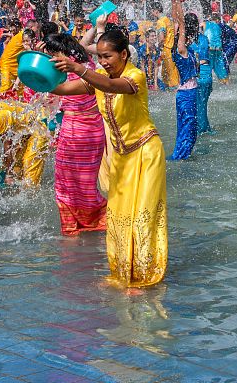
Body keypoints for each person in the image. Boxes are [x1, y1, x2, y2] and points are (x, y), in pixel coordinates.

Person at [51, 27, 167, 288]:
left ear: (124, 54)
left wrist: (79, 67)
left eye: (108, 56)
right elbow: (65, 89)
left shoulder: (134, 77)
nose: (103, 62)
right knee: (118, 217)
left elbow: (111, 86)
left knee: (142, 217)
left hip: (146, 153)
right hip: (122, 158)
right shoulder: (99, 77)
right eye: (100, 57)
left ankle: (143, 277)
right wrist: (38, 76)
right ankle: (121, 274)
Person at [45, 32, 108, 235]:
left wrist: (34, 73)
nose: (51, 58)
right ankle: (94, 222)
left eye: (52, 53)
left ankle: (73, 229)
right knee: (86, 184)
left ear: (61, 52)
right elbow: (82, 44)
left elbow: (59, 90)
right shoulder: (88, 67)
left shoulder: (78, 74)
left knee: (65, 184)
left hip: (77, 132)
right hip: (91, 132)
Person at [166, 0, 201, 160]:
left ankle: (182, 153)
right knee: (188, 127)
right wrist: (179, 2)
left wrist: (174, 1)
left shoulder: (185, 48)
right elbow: (180, 23)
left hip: (188, 93)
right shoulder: (181, 49)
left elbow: (177, 22)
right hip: (186, 95)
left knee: (189, 127)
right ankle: (182, 156)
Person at [0, 20, 24, 94]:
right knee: (6, 86)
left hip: (16, 64)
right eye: (11, 27)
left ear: (19, 27)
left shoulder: (21, 35)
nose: (12, 29)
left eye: (14, 27)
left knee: (20, 88)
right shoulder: (13, 36)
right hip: (7, 62)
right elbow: (5, 44)